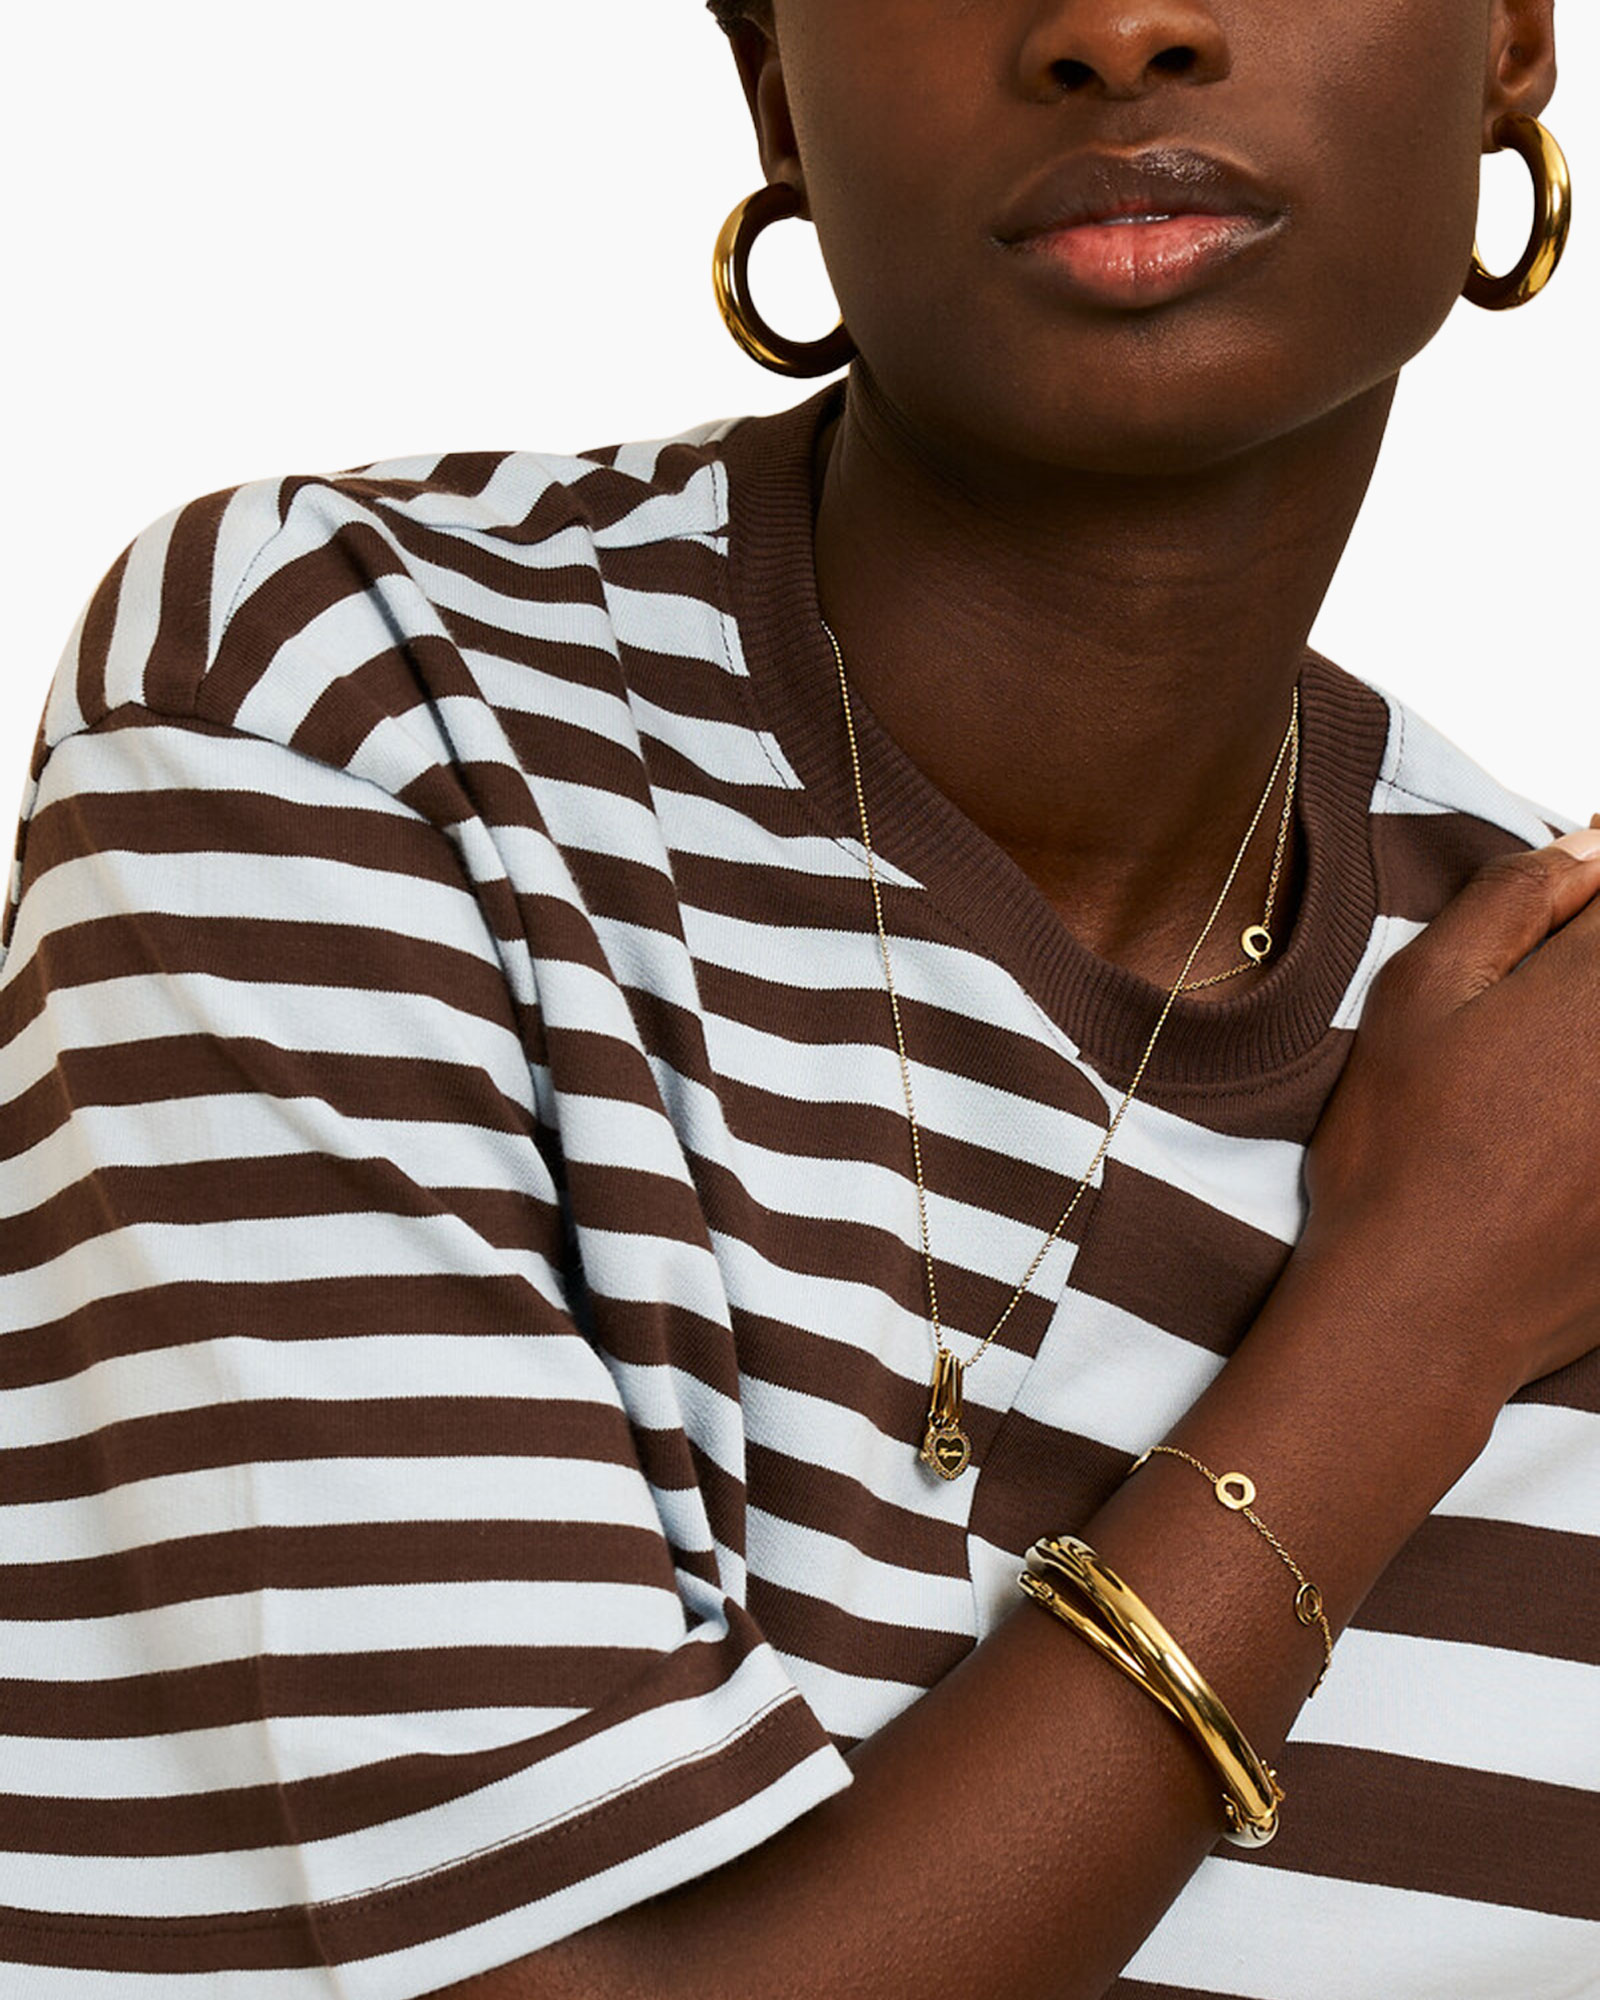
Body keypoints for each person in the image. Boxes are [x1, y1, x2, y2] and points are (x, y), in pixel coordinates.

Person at [0, 2, 1594, 1996]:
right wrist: (1414, 1323)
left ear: (1508, 36)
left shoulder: (1555, 1046)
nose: (1116, 27)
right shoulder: (361, 714)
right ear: (775, 83)